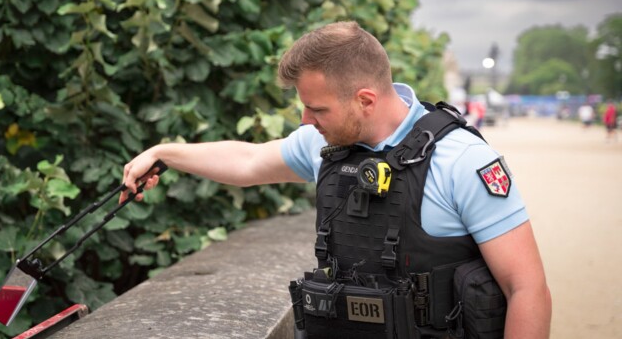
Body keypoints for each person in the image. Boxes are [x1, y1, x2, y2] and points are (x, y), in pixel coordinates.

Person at [120, 21, 551, 338]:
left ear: (365, 99)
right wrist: (164, 154)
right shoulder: (324, 143)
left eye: (317, 109)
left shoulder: (463, 161)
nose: (306, 120)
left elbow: (526, 289)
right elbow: (248, 162)